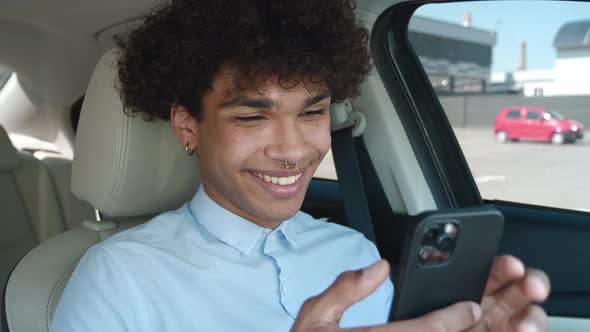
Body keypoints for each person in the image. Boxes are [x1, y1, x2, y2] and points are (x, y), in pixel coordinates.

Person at [51, 0, 550, 331]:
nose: (293, 150)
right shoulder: (119, 276)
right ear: (188, 127)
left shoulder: (356, 255)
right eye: (252, 115)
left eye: (312, 112)